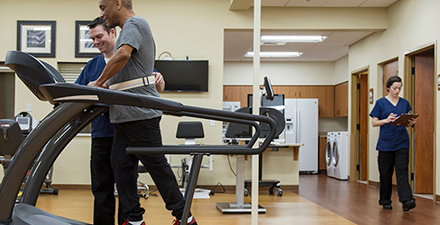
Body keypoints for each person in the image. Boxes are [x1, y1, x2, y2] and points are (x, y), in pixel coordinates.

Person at [89, 1, 197, 225]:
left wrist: (99, 82)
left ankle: (184, 217)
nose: (101, 13)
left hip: (139, 114)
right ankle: (135, 220)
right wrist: (106, 85)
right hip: (125, 116)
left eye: (103, 7)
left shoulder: (134, 23)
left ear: (118, 3)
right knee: (120, 164)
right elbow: (127, 73)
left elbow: (122, 56)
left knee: (157, 167)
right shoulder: (126, 31)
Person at [76, 17, 165, 225]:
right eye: (93, 38)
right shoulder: (91, 66)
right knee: (101, 188)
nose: (96, 42)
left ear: (113, 33)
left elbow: (153, 87)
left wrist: (159, 84)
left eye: (100, 36)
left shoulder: (132, 59)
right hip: (101, 135)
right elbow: (78, 94)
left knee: (126, 189)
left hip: (126, 132)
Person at [369, 75, 417, 212]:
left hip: (402, 142)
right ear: (388, 88)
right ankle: (385, 200)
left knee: (402, 171)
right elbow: (374, 123)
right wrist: (386, 120)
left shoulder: (405, 103)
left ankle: (407, 200)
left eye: (399, 88)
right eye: (395, 88)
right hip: (385, 143)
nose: (397, 91)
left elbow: (409, 118)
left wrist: (411, 122)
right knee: (385, 173)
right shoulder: (380, 103)